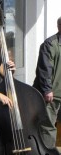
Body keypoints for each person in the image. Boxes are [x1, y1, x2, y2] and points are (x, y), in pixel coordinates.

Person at [33, 17, 61, 148]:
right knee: (48, 126)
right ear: (59, 26)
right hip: (51, 94)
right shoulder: (50, 44)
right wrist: (47, 90)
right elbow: (44, 69)